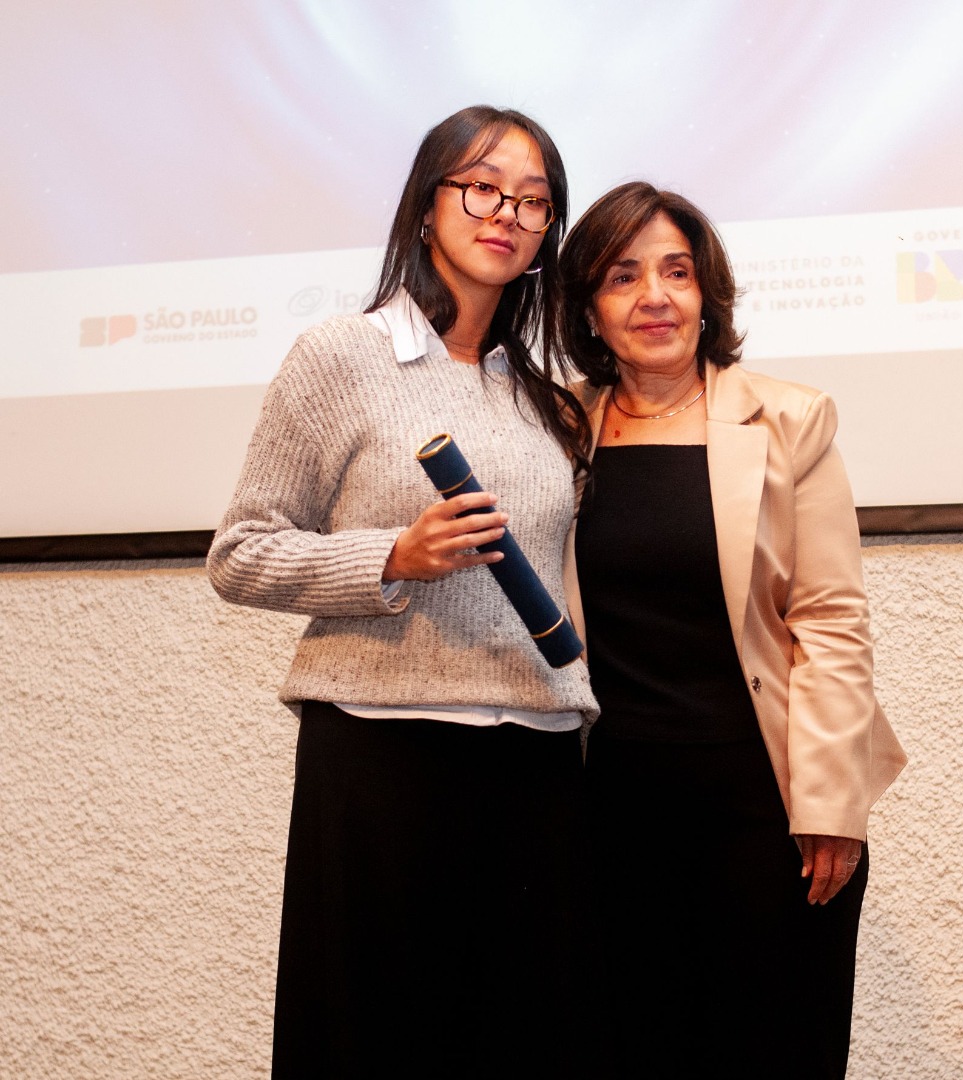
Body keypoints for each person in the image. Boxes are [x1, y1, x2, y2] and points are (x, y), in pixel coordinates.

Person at [207, 106, 601, 1079]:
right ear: (427, 205)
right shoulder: (340, 357)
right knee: (371, 1041)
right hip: (383, 756)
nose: (506, 214)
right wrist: (392, 557)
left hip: (536, 761)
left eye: (534, 201)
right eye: (482, 188)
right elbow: (242, 554)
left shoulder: (547, 397)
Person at [558, 181, 908, 1079]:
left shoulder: (788, 420)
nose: (655, 297)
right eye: (623, 276)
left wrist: (831, 807)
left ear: (707, 293)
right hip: (609, 815)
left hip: (766, 812)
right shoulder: (556, 430)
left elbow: (829, 621)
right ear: (589, 309)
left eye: (677, 272)